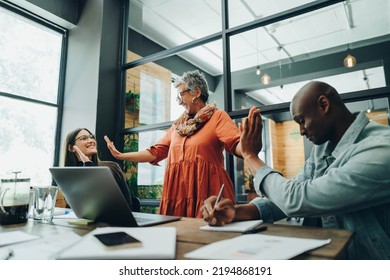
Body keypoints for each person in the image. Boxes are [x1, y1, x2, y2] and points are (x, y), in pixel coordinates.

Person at [202, 81, 390, 259]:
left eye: (301, 120)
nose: (301, 131)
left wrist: (250, 156)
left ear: (324, 105)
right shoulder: (322, 149)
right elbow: (288, 195)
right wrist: (238, 212)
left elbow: (299, 199)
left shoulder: (381, 149)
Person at [104, 70, 243, 218]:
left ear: (196, 92)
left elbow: (236, 145)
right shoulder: (178, 126)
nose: (179, 100)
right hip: (177, 193)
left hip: (207, 191)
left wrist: (247, 146)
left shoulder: (218, 117)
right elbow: (154, 152)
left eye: (181, 94)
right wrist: (121, 155)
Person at [62, 128, 134, 210]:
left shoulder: (112, 168)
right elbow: (82, 206)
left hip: (114, 220)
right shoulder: (69, 175)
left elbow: (127, 205)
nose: (91, 140)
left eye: (91, 137)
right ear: (71, 148)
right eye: (84, 138)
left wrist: (88, 164)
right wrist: (87, 164)